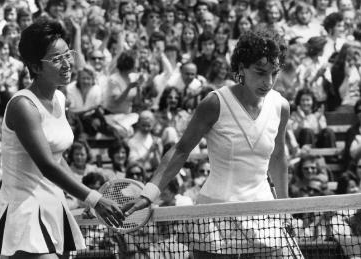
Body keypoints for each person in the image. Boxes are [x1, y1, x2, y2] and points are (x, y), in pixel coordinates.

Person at [123, 30, 298, 258]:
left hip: (262, 210)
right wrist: (149, 193)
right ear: (242, 68)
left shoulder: (280, 106)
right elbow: (181, 149)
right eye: (260, 72)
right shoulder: (215, 102)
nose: (269, 81)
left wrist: (284, 208)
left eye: (274, 73)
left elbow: (278, 157)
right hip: (216, 214)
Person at [0, 19, 124, 258]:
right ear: (35, 66)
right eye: (56, 59)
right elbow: (46, 165)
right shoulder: (23, 106)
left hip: (54, 205)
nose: (66, 64)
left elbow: (58, 157)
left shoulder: (60, 99)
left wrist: (82, 197)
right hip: (24, 212)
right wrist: (94, 199)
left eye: (67, 54)